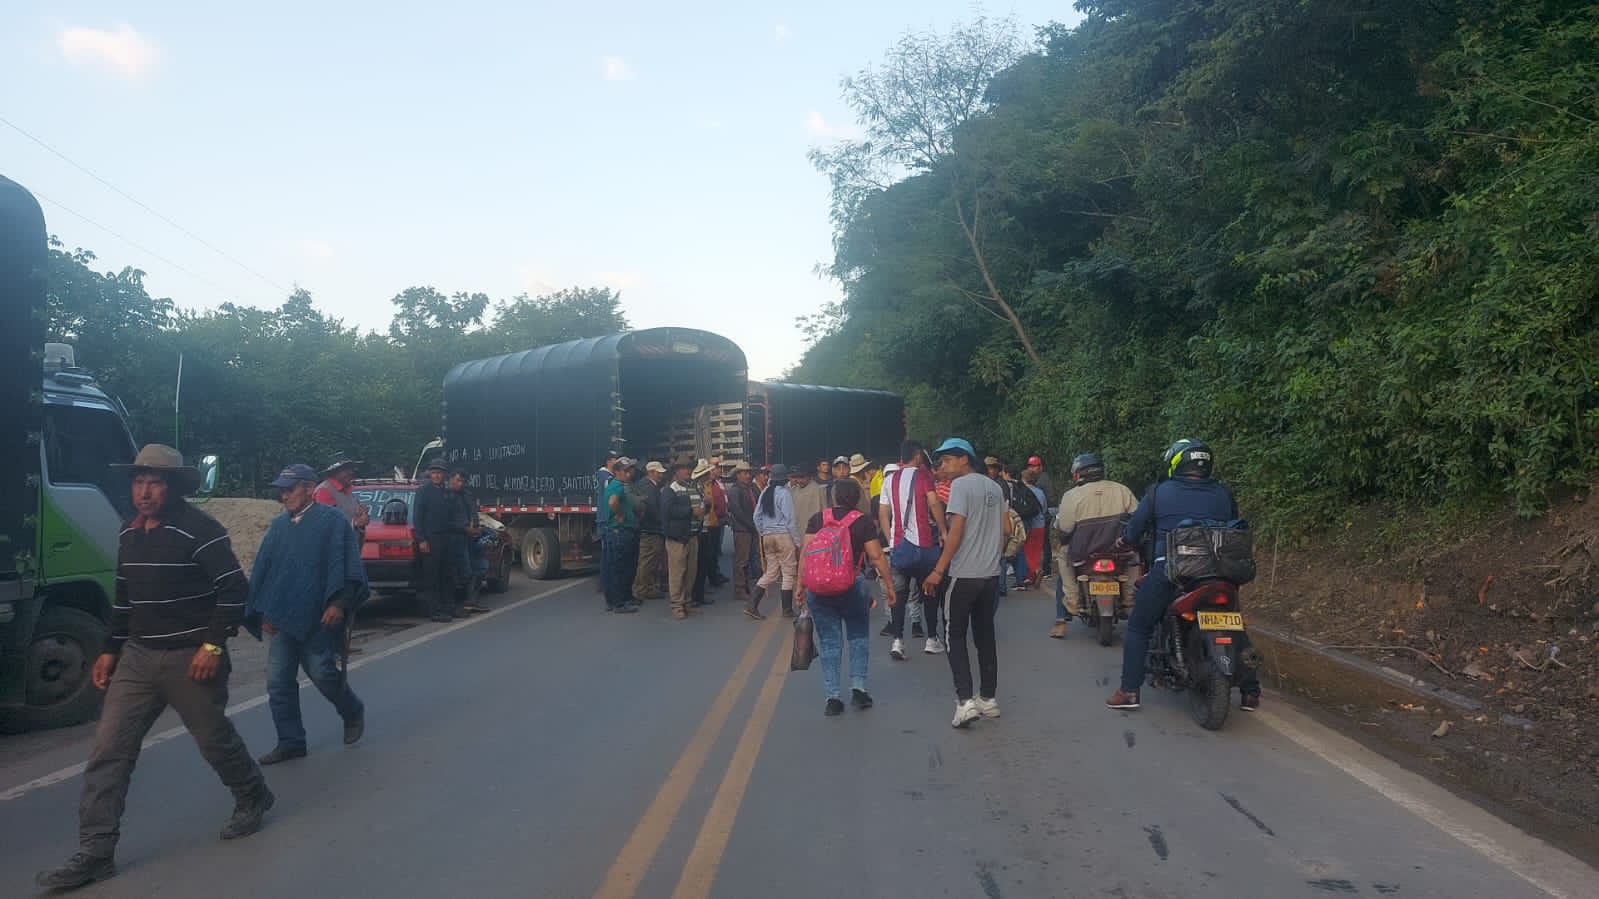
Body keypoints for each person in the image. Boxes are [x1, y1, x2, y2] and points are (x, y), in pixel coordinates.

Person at [37, 446, 270, 891]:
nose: (144, 491)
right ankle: (96, 852)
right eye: (139, 482)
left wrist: (213, 646)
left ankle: (253, 794)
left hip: (191, 657)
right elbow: (124, 598)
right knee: (109, 752)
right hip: (138, 658)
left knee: (213, 740)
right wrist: (109, 649)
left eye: (155, 483)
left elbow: (233, 590)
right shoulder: (129, 533)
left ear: (174, 486)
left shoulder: (201, 530)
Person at [1106, 439, 1260, 712]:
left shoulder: (1158, 493)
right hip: (1220, 571)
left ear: (1176, 463)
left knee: (1139, 625)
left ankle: (1129, 690)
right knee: (1234, 623)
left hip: (1174, 572)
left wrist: (1124, 541)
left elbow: (1134, 530)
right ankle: (1250, 693)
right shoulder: (1223, 493)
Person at [248, 463, 368, 765]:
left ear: (309, 487)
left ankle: (352, 710)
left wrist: (337, 603)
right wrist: (263, 608)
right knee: (278, 682)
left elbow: (348, 569)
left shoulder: (333, 523)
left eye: (289, 489)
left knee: (324, 674)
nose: (284, 496)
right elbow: (265, 571)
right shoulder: (279, 527)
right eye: (281, 491)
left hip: (320, 616)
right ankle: (290, 741)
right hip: (282, 618)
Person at [923, 438, 1006, 729]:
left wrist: (938, 570)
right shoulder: (995, 487)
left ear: (963, 459)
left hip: (963, 575)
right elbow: (1006, 528)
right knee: (984, 634)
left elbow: (955, 532)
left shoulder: (960, 486)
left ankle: (965, 701)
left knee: (953, 635)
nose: (942, 468)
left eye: (946, 461)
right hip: (990, 575)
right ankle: (988, 699)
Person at [796, 478, 895, 716]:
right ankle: (858, 689)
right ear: (857, 498)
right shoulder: (862, 522)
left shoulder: (818, 519)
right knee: (858, 637)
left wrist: (801, 586)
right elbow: (876, 556)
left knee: (830, 642)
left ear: (834, 497)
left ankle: (833, 698)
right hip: (852, 586)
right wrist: (890, 587)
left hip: (819, 590)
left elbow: (806, 555)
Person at [1052, 452, 1137, 638]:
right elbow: (1136, 520)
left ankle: (1070, 605)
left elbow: (1065, 529)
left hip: (1084, 553)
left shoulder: (1071, 495)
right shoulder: (1122, 490)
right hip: (1118, 551)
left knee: (1063, 558)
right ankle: (1130, 599)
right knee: (1134, 558)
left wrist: (1064, 538)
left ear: (1078, 473)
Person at [879, 441, 948, 659]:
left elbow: (883, 513)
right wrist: (944, 530)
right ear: (917, 455)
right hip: (924, 546)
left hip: (899, 547)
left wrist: (891, 538)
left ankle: (898, 641)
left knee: (899, 595)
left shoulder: (889, 480)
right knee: (928, 591)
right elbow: (935, 504)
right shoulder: (924, 476)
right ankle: (931, 639)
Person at [412, 458, 457, 622]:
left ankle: (449, 607)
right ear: (430, 474)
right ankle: (435, 610)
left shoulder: (447, 491)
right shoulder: (423, 491)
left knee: (447, 574)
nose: (437, 476)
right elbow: (417, 518)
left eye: (439, 473)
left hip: (446, 538)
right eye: (434, 473)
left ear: (444, 475)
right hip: (430, 539)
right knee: (432, 577)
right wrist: (421, 539)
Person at [750, 464, 797, 620]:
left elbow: (756, 517)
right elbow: (790, 520)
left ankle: (752, 606)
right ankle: (787, 610)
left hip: (768, 537)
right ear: (784, 479)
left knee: (771, 573)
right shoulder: (785, 494)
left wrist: (763, 532)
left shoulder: (764, 492)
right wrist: (798, 541)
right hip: (783, 536)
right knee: (788, 573)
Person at [663, 459, 705, 620]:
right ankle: (677, 605)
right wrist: (690, 511)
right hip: (678, 538)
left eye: (688, 468)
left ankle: (687, 602)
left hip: (693, 535)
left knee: (690, 573)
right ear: (676, 471)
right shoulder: (671, 489)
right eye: (683, 468)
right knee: (677, 573)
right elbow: (668, 511)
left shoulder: (693, 487)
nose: (687, 471)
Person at [602, 457, 641, 613]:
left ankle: (622, 598)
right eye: (626, 471)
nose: (629, 473)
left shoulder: (615, 484)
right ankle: (619, 602)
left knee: (618, 567)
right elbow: (612, 502)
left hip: (618, 532)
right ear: (617, 472)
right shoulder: (618, 486)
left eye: (630, 470)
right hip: (621, 532)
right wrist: (619, 514)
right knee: (622, 568)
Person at [724, 461, 759, 610]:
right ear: (738, 475)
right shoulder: (735, 490)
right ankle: (739, 589)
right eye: (745, 473)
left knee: (747, 559)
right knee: (741, 560)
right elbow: (737, 512)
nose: (748, 475)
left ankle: (744, 587)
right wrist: (752, 525)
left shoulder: (749, 488)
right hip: (742, 529)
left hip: (750, 528)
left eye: (748, 472)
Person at [631, 461, 668, 600]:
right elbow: (652, 510)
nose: (661, 475)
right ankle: (642, 588)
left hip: (651, 528)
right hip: (651, 529)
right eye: (659, 473)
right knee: (647, 561)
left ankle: (650, 586)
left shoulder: (647, 486)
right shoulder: (649, 488)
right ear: (651, 472)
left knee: (651, 560)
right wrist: (663, 522)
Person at [691, 459, 721, 607]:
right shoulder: (695, 489)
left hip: (706, 527)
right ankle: (695, 595)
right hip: (698, 530)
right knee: (697, 565)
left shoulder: (703, 487)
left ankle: (699, 594)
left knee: (703, 563)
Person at [313, 457, 369, 535]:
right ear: (334, 472)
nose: (351, 472)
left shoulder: (347, 490)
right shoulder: (324, 491)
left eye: (351, 469)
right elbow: (325, 523)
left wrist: (362, 514)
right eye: (346, 469)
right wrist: (355, 523)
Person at [787, 465, 826, 569]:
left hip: (813, 531)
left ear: (810, 477)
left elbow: (824, 511)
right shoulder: (793, 490)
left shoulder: (818, 489)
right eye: (798, 477)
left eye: (802, 477)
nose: (800, 480)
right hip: (797, 530)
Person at [1026, 455, 1059, 577]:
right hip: (1047, 508)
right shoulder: (1039, 478)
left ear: (1040, 467)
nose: (1032, 468)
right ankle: (1040, 567)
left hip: (1049, 509)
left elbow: (1042, 499)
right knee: (1042, 539)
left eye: (1035, 466)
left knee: (1043, 539)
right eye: (1031, 466)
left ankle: (1045, 568)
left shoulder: (1041, 479)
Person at [1021, 469, 1048, 586]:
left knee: (1026, 552)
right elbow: (1045, 509)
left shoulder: (1023, 491)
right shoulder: (1040, 492)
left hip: (1029, 525)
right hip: (1041, 525)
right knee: (1036, 552)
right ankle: (1031, 577)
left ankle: (1036, 570)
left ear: (1024, 479)